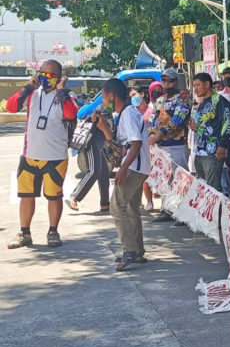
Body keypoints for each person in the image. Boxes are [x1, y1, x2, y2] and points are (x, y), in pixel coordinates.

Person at [6, 60, 78, 249]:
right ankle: (25, 232)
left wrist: (61, 91)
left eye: (51, 75)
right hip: (30, 154)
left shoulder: (67, 96)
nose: (46, 79)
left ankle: (53, 231)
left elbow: (71, 114)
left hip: (55, 156)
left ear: (60, 77)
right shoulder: (32, 94)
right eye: (43, 74)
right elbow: (11, 108)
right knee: (26, 195)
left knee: (54, 196)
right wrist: (28, 87)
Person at [93, 78, 150, 270]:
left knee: (117, 207)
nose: (102, 101)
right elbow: (120, 145)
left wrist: (123, 169)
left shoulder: (127, 114)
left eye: (103, 96)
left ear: (111, 95)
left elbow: (136, 143)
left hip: (133, 167)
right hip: (136, 167)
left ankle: (130, 250)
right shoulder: (124, 114)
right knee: (131, 208)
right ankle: (138, 251)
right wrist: (103, 127)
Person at [150, 68, 192, 221]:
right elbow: (152, 120)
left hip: (177, 144)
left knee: (180, 179)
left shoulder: (183, 98)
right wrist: (150, 134)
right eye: (165, 81)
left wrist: (159, 134)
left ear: (176, 81)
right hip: (161, 146)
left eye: (170, 80)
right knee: (165, 179)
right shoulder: (160, 100)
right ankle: (167, 209)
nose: (167, 84)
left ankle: (183, 213)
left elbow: (178, 119)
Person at [66, 91, 111, 214]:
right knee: (94, 171)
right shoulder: (102, 109)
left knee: (104, 174)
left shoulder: (109, 110)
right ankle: (75, 197)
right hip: (91, 143)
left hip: (99, 144)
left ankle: (105, 204)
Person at [187, 73, 230, 191]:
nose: (195, 89)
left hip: (213, 153)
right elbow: (202, 126)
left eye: (197, 85)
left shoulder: (219, 101)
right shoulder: (202, 103)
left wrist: (222, 145)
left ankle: (218, 210)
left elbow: (227, 123)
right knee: (202, 189)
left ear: (207, 84)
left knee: (213, 190)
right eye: (194, 86)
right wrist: (195, 127)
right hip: (200, 152)